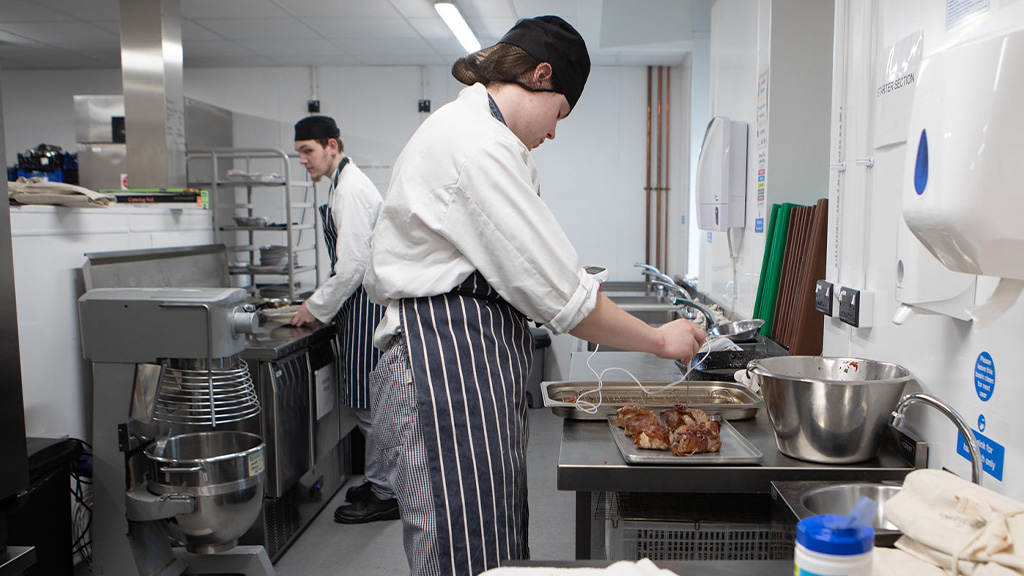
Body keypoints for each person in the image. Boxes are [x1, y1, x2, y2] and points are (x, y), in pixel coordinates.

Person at [363, 16, 705, 575]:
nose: (553, 133)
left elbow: (526, 270)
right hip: (443, 367)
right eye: (559, 114)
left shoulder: (473, 134)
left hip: (461, 363)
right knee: (464, 550)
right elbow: (566, 301)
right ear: (542, 76)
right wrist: (660, 339)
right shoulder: (477, 145)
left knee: (489, 537)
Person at [290, 115, 399, 524]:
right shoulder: (342, 185)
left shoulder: (350, 190)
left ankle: (386, 493)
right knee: (366, 404)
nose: (304, 160)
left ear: (332, 146)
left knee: (370, 406)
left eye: (308, 151)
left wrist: (313, 308)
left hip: (367, 308)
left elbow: (352, 266)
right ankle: (378, 482)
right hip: (360, 306)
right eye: (300, 153)